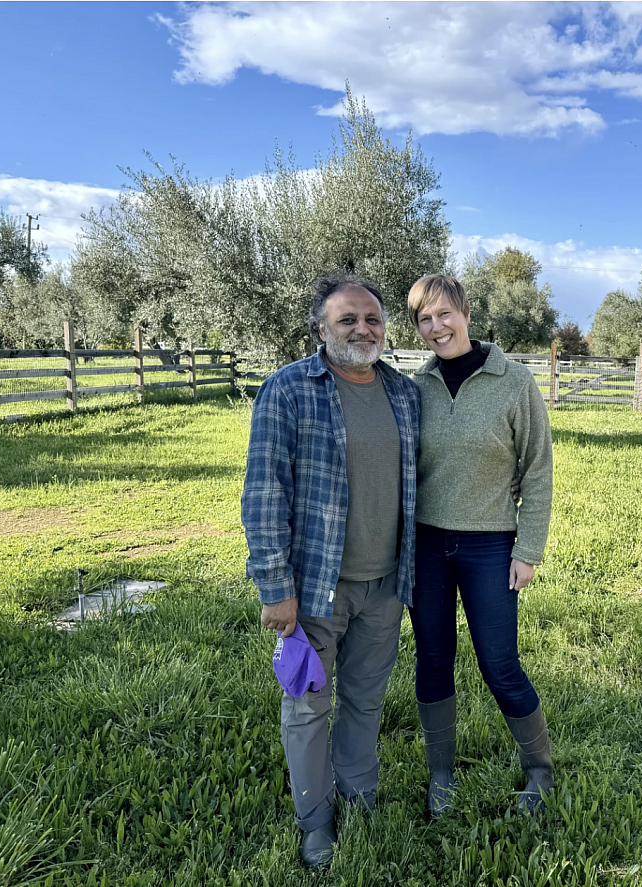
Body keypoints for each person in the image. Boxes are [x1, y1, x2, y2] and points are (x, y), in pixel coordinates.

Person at [241, 274, 421, 869]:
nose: (362, 329)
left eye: (372, 319)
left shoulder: (403, 393)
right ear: (321, 328)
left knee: (366, 700)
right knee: (307, 704)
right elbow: (264, 492)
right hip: (315, 585)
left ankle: (359, 792)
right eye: (347, 319)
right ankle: (315, 820)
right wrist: (275, 588)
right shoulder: (288, 390)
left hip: (388, 582)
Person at [406, 273, 555, 817]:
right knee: (432, 661)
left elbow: (536, 469)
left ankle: (540, 769)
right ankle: (441, 775)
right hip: (426, 547)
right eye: (424, 318)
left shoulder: (514, 382)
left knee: (500, 664)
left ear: (466, 312)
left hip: (491, 546)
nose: (436, 326)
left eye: (444, 313)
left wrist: (528, 549)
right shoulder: (412, 389)